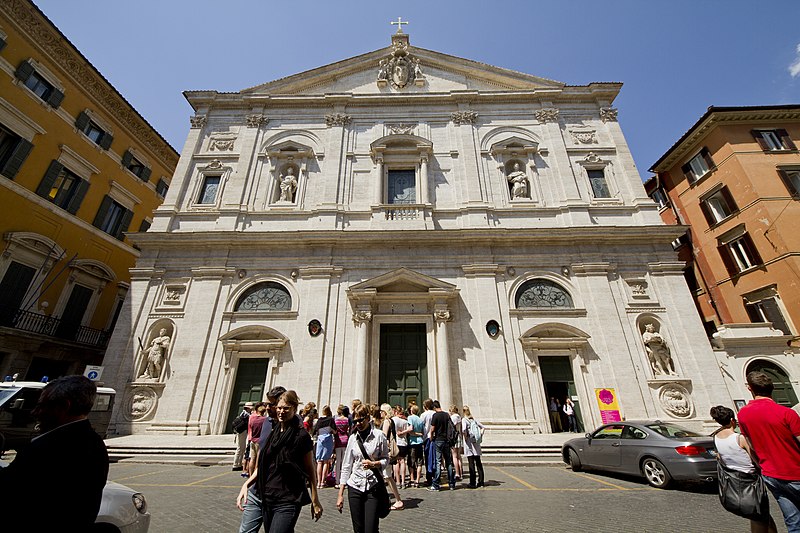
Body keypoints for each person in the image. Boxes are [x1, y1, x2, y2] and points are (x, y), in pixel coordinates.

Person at [0, 375, 109, 530]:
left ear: (64, 406)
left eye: (42, 405)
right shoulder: (94, 442)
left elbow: (12, 492)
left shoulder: (51, 448)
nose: (35, 412)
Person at [237, 390, 322, 532]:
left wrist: (315, 500)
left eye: (286, 408)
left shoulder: (301, 436)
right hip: (268, 497)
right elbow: (264, 465)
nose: (282, 411)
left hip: (288, 498)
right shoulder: (273, 432)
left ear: (294, 409)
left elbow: (310, 469)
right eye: (280, 408)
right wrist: (246, 484)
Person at [738, 371, 800, 532]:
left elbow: (750, 446)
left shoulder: (743, 414)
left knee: (793, 521)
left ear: (749, 388)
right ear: (772, 388)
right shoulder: (787, 413)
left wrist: (762, 465)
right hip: (795, 473)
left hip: (771, 475)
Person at [711, 405, 777, 533]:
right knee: (759, 516)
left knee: (761, 515)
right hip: (750, 481)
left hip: (733, 479)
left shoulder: (716, 438)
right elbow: (755, 459)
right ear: (732, 420)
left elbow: (720, 457)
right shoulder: (739, 438)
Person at [336, 403, 389, 533]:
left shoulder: (379, 436)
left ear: (368, 418)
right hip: (355, 486)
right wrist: (340, 494)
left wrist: (374, 464)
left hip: (373, 486)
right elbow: (347, 465)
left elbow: (386, 459)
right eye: (355, 421)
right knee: (358, 529)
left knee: (371, 528)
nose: (358, 423)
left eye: (361, 420)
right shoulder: (353, 439)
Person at [239, 386, 285, 533]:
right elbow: (261, 459)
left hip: (280, 494)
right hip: (257, 491)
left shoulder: (294, 427)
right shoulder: (266, 423)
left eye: (270, 404)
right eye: (266, 404)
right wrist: (247, 483)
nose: (267, 408)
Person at [379, 403, 404, 510]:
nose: (380, 413)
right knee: (385, 476)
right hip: (388, 452)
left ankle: (398, 500)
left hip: (386, 453)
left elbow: (383, 437)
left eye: (381, 411)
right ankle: (384, 499)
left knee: (387, 476)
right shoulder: (392, 420)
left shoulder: (386, 421)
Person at [429, 400, 456, 491]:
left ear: (434, 407)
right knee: (448, 462)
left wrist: (431, 437)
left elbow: (432, 429)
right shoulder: (447, 415)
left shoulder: (435, 415)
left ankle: (436, 484)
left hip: (438, 440)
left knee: (438, 462)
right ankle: (451, 484)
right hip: (447, 441)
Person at [462, 405, 485, 489]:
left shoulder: (464, 420)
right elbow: (483, 427)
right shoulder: (473, 420)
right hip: (476, 444)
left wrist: (465, 438)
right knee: (478, 463)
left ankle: (472, 483)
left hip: (469, 444)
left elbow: (464, 430)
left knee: (471, 463)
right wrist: (479, 436)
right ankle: (481, 482)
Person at [313, 405, 337, 489]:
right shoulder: (331, 420)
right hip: (328, 440)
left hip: (320, 440)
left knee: (319, 461)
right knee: (326, 461)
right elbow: (334, 431)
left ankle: (318, 482)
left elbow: (315, 431)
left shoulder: (319, 420)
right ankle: (323, 481)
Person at [391, 405, 411, 489]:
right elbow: (408, 432)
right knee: (402, 462)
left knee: (396, 463)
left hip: (396, 443)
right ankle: (403, 481)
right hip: (403, 442)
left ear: (395, 411)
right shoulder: (405, 421)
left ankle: (397, 481)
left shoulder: (393, 420)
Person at [406, 404, 425, 488]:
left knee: (411, 461)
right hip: (420, 442)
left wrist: (414, 434)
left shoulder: (410, 418)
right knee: (420, 462)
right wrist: (419, 434)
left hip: (412, 442)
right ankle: (417, 480)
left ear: (411, 411)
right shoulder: (420, 419)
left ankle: (412, 479)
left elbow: (410, 430)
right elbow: (423, 432)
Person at [334, 405, 351, 488]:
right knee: (345, 462)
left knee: (338, 461)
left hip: (338, 441)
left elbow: (335, 431)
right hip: (345, 440)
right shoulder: (347, 420)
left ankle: (337, 480)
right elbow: (348, 429)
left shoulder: (336, 420)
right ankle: (344, 481)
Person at [247, 402, 267, 476]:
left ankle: (250, 474)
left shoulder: (252, 418)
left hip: (253, 441)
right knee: (258, 461)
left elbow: (250, 429)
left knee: (252, 459)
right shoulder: (265, 420)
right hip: (260, 442)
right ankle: (256, 477)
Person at [233, 402, 254, 471]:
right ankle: (236, 464)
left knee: (242, 448)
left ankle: (238, 464)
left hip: (242, 432)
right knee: (240, 448)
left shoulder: (244, 413)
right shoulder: (246, 414)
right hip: (242, 432)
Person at [449, 405, 464, 481]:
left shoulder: (453, 417)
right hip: (459, 437)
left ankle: (457, 473)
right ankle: (461, 473)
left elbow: (451, 428)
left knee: (454, 456)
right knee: (459, 456)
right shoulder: (459, 417)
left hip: (454, 438)